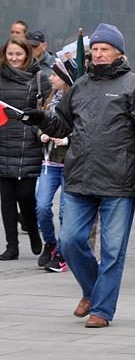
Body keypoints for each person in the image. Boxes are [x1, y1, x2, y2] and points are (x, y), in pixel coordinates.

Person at [21, 23, 135, 328]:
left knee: (112, 250)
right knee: (70, 241)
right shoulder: (81, 85)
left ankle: (102, 310)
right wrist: (42, 118)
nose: (97, 54)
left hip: (118, 180)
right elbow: (62, 125)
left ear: (119, 53)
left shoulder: (133, 85)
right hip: (80, 178)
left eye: (104, 49)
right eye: (95, 49)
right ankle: (91, 289)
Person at [0, 36, 48, 260]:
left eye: (18, 54)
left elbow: (50, 105)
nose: (14, 58)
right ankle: (12, 246)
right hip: (3, 140)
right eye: (10, 54)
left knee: (26, 195)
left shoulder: (38, 77)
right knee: (7, 199)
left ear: (27, 54)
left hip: (29, 143)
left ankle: (32, 230)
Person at [36, 59, 75, 271]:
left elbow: (85, 128)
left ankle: (61, 252)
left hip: (69, 163)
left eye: (55, 75)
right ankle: (50, 242)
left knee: (65, 211)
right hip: (49, 161)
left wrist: (67, 139)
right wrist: (41, 134)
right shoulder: (49, 99)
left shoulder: (76, 100)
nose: (50, 78)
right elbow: (41, 122)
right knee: (42, 206)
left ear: (65, 78)